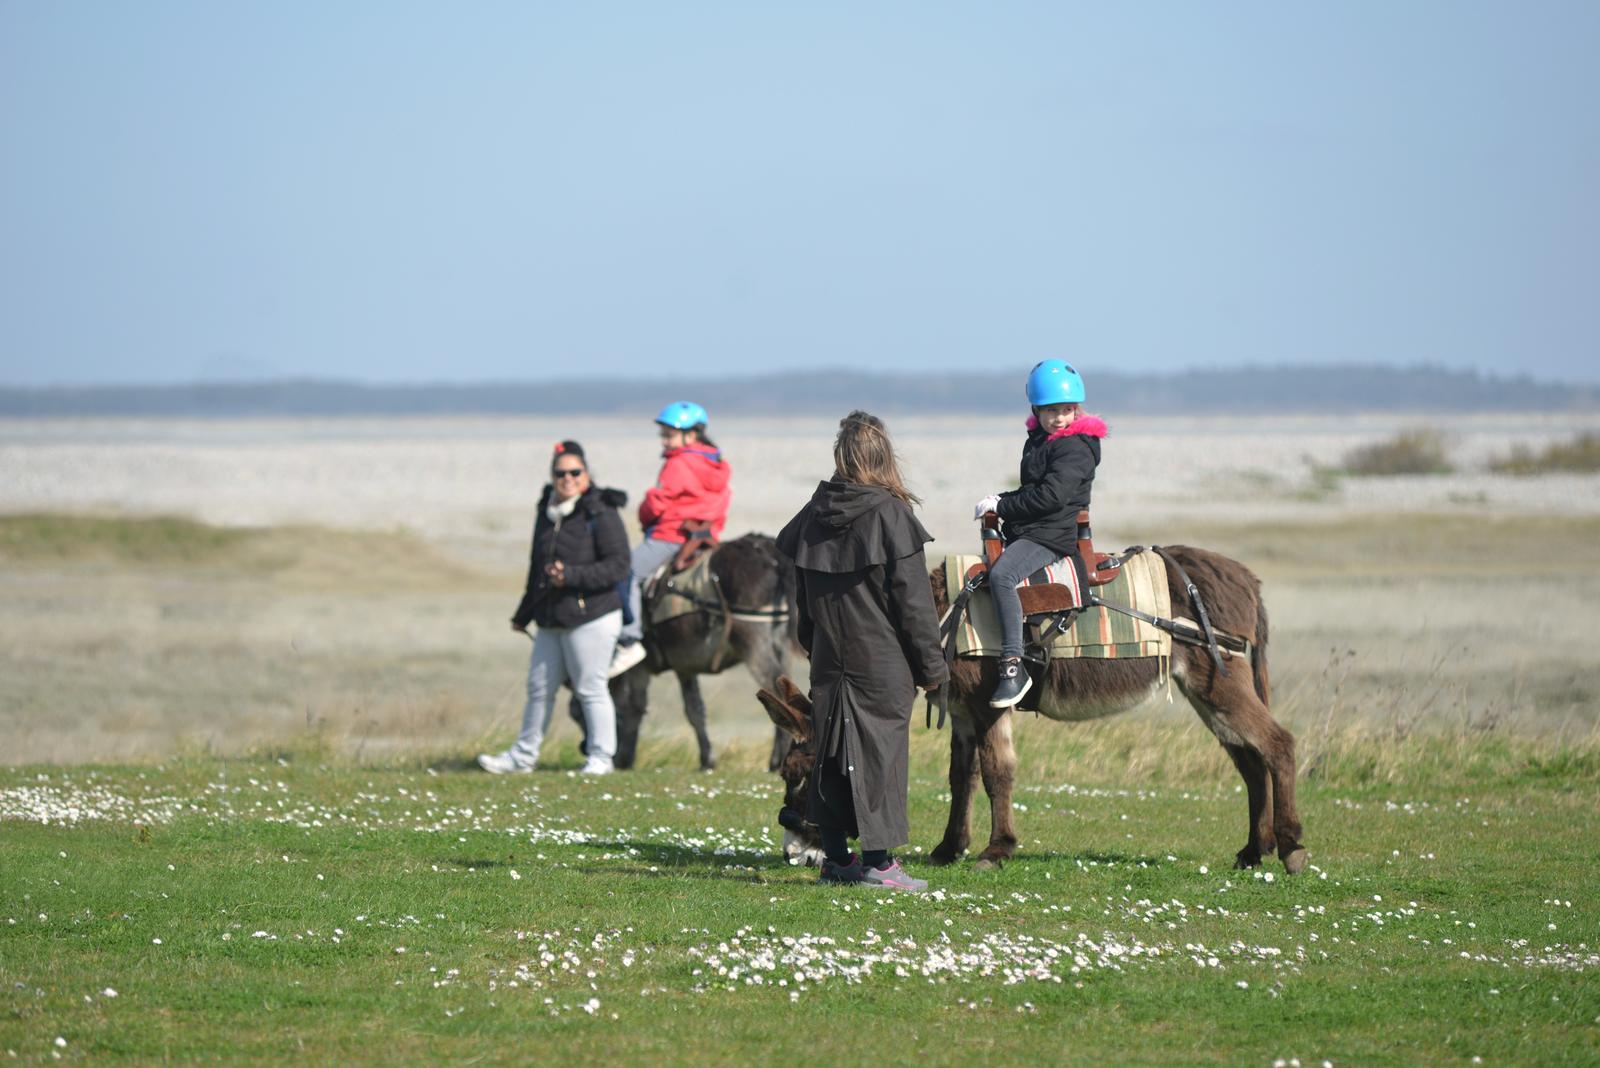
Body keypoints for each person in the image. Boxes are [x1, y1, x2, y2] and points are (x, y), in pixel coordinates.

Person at [776, 411, 947, 892]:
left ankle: (837, 861)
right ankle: (879, 865)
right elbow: (914, 606)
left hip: (830, 659)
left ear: (841, 457)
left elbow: (804, 602)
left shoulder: (813, 514)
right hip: (882, 662)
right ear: (883, 456)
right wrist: (933, 670)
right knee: (880, 760)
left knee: (830, 759)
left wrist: (816, 649)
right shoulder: (892, 515)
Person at [478, 440, 630, 776]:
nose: (567, 479)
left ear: (586, 474)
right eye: (561, 473)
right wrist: (523, 614)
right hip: (552, 616)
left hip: (593, 615)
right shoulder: (545, 511)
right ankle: (522, 757)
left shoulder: (601, 510)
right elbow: (537, 568)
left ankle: (601, 758)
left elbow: (619, 565)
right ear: (552, 476)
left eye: (575, 472)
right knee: (539, 688)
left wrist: (571, 576)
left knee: (590, 688)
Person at [972, 359, 1108, 709]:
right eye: (1050, 410)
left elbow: (1050, 497)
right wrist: (999, 499)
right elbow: (1032, 489)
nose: (1059, 418)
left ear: (1076, 409)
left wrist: (1003, 507)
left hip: (1050, 535)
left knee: (1002, 576)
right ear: (1036, 409)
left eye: (1066, 410)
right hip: (1033, 528)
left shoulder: (1075, 447)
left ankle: (1013, 666)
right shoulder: (1040, 440)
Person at [609, 401, 732, 676]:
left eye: (670, 434)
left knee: (625, 572)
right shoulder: (717, 464)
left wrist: (644, 512)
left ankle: (629, 640)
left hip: (671, 535)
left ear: (691, 435)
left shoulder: (677, 463)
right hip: (705, 535)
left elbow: (657, 504)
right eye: (663, 434)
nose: (664, 440)